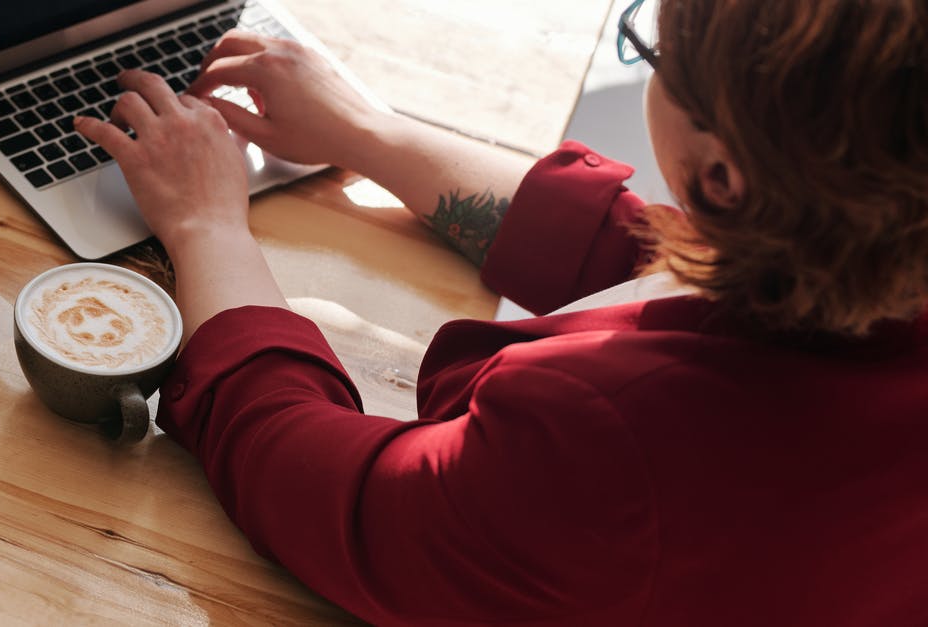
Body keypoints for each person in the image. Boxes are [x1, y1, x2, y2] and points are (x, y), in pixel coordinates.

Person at [75, 0, 928, 624]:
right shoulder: (883, 259)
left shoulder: (610, 438)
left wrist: (205, 223)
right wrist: (369, 133)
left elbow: (335, 497)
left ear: (721, 179)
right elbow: (689, 264)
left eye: (656, 46)